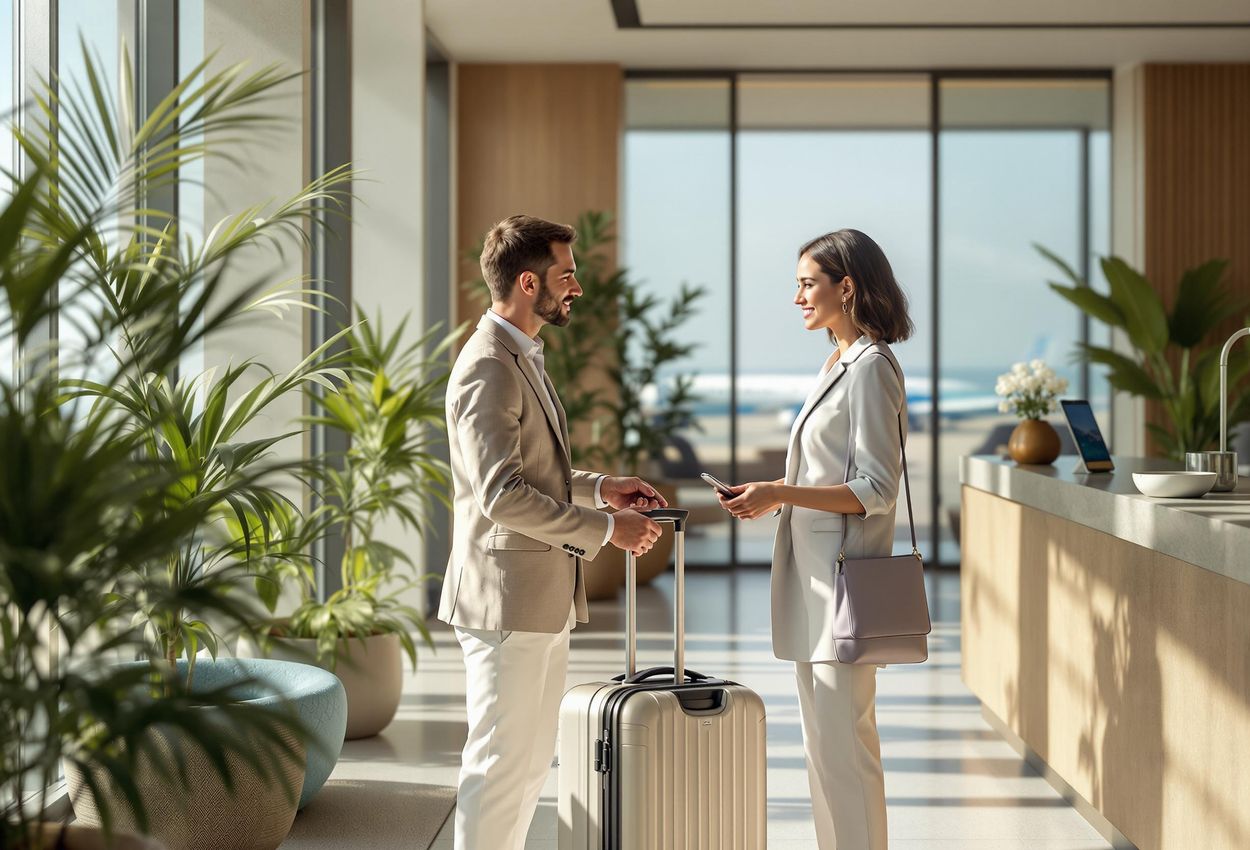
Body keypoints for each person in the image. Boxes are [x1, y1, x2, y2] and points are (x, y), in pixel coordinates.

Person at [438, 214, 667, 850]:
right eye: (567, 275)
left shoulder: (521, 356)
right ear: (529, 283)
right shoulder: (488, 364)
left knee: (529, 763)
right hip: (504, 600)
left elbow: (536, 471)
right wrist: (606, 529)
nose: (578, 288)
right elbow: (501, 495)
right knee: (499, 766)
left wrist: (601, 488)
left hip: (536, 599)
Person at [718, 228, 914, 850]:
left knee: (844, 751)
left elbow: (877, 488)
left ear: (846, 287)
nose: (798, 296)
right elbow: (827, 473)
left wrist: (781, 494)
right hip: (817, 582)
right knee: (827, 749)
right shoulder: (838, 359)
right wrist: (774, 490)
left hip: (842, 585)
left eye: (808, 283)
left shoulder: (872, 368)